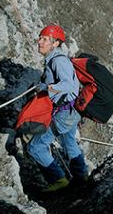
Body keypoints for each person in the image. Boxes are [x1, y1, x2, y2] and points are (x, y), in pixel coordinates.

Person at [27, 24, 89, 192]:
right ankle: (81, 176)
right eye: (40, 38)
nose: (40, 42)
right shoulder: (55, 59)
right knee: (69, 142)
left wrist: (48, 89)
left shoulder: (58, 61)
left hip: (64, 114)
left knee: (35, 147)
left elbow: (68, 85)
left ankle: (58, 180)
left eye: (45, 39)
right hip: (71, 111)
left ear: (55, 43)